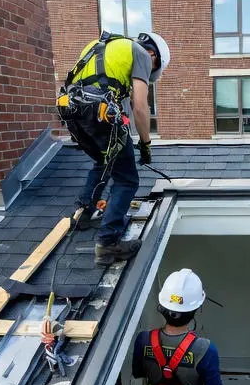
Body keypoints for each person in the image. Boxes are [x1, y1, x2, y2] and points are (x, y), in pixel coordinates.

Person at [57, 30, 170, 265]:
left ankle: (83, 214)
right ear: (152, 55)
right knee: (127, 179)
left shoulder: (98, 47)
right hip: (99, 112)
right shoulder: (140, 53)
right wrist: (146, 144)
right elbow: (140, 106)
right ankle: (108, 244)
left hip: (72, 112)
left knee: (103, 161)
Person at [132, 269, 228, 385]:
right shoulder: (206, 349)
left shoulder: (143, 340)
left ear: (163, 306)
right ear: (195, 309)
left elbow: (141, 377)